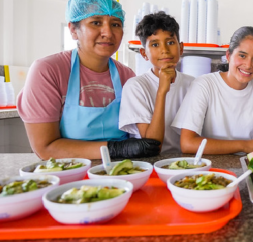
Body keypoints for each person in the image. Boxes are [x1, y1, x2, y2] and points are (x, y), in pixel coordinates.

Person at [17, 0, 160, 160]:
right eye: (96, 22)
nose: (108, 32)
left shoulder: (126, 76)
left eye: (115, 24)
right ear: (73, 30)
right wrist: (114, 149)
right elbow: (46, 148)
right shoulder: (48, 71)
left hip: (121, 173)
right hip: (69, 174)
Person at [172, 26, 253, 154]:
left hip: (248, 164)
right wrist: (244, 146)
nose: (248, 65)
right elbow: (188, 143)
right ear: (228, 55)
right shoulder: (204, 85)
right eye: (242, 55)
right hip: (210, 166)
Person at [119, 12, 193, 154]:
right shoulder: (135, 86)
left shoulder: (193, 84)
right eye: (155, 44)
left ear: (181, 48)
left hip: (185, 162)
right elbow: (152, 145)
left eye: (170, 42)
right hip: (148, 164)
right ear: (144, 53)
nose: (164, 50)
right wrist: (161, 91)